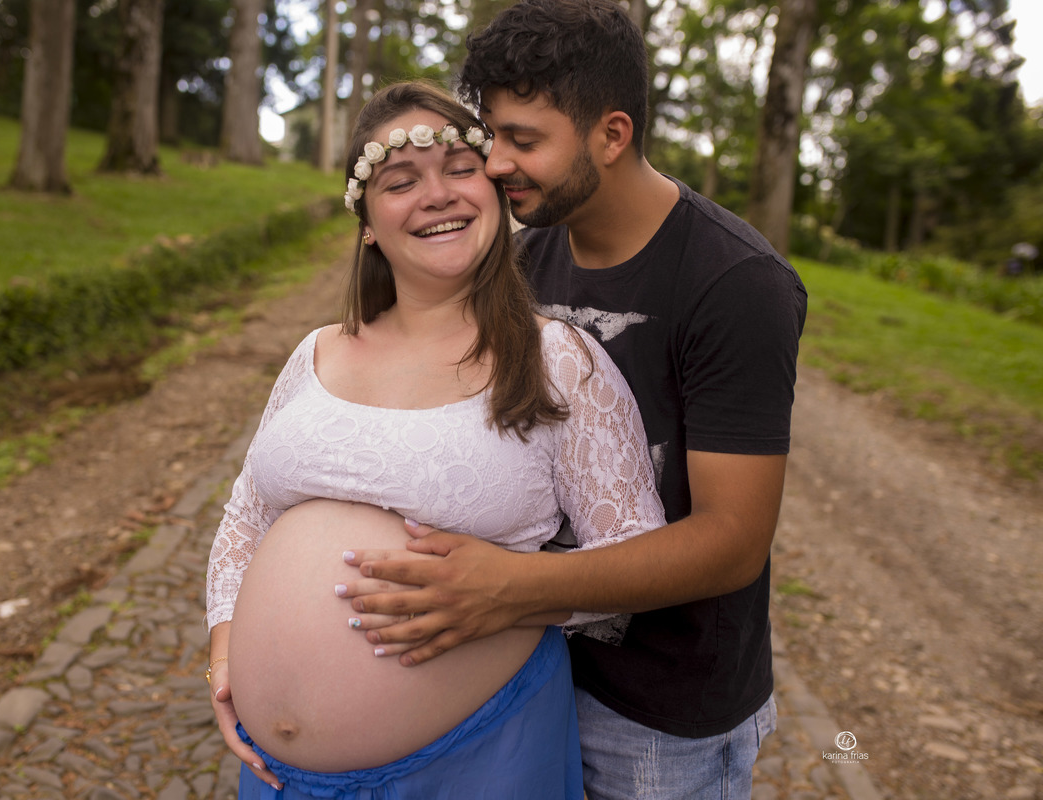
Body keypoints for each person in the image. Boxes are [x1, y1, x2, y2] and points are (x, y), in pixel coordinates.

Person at [336, 2, 809, 798]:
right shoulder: (520, 257)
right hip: (522, 675)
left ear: (612, 135)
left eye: (525, 141)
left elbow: (732, 541)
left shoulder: (736, 285)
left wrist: (510, 589)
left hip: (659, 716)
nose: (496, 166)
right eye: (495, 139)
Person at [204, 80, 668, 799]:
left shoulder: (559, 362)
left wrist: (511, 594)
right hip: (277, 776)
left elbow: (640, 558)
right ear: (367, 222)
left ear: (494, 193)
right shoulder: (316, 352)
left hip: (478, 761)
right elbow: (245, 515)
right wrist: (226, 643)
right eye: (401, 181)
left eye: (460, 169)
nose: (439, 195)